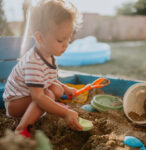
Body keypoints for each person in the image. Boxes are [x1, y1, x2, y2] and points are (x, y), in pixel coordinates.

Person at [3, 0, 83, 135]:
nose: (66, 45)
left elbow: (47, 79)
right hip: (15, 103)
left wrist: (65, 88)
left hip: (27, 95)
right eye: (60, 40)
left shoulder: (48, 55)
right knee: (47, 95)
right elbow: (38, 97)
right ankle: (22, 129)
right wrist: (64, 112)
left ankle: (50, 106)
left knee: (57, 89)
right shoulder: (34, 62)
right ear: (40, 37)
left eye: (68, 39)